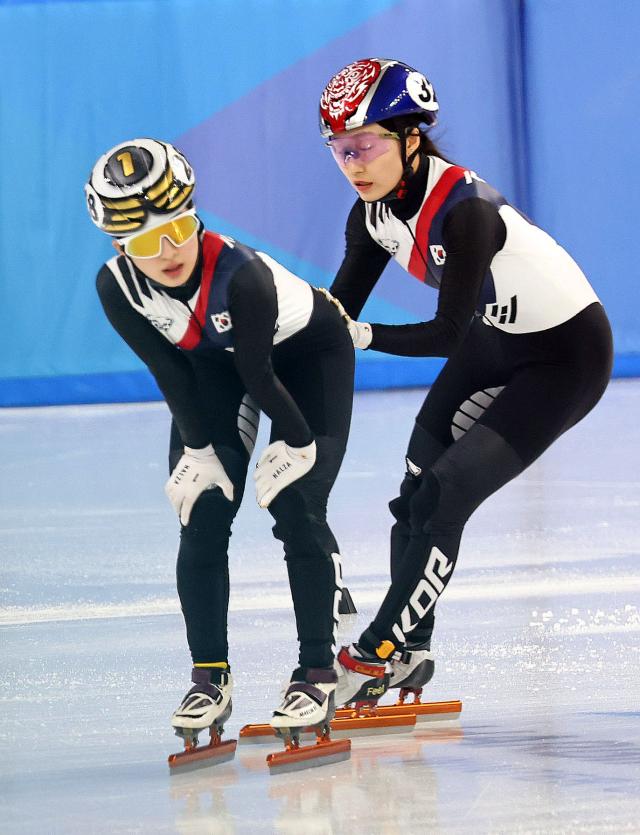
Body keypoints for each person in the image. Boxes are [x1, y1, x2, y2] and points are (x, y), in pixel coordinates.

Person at [317, 58, 613, 705]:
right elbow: (336, 320)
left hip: (566, 355)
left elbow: (445, 332)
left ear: (411, 137)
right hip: (495, 340)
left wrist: (359, 335)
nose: (353, 164)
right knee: (415, 489)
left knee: (447, 493)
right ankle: (410, 651)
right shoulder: (368, 217)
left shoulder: (465, 211)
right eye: (340, 150)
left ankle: (374, 651)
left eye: (364, 146)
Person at [85, 138, 357, 743]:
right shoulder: (116, 287)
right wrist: (200, 451)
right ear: (118, 246)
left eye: (180, 227)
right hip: (216, 366)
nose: (170, 251)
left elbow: (263, 375)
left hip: (306, 358)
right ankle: (209, 675)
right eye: (147, 243)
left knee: (295, 504)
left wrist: (298, 443)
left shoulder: (245, 275)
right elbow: (172, 373)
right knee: (204, 512)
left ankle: (317, 668)